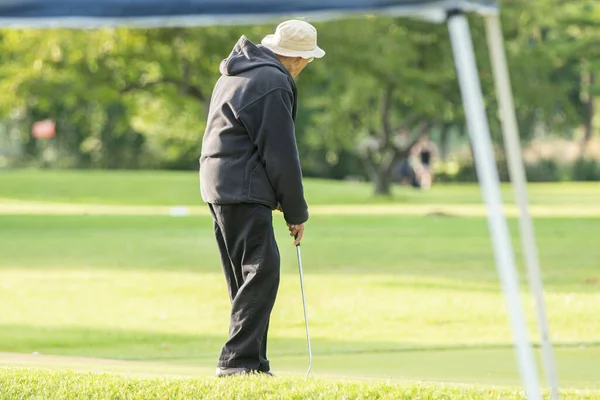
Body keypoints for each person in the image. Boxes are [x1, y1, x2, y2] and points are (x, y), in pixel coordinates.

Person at [199, 20, 325, 377]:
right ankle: (237, 362)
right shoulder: (272, 81)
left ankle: (253, 363)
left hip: (220, 185)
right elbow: (281, 152)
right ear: (296, 59)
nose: (305, 67)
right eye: (306, 60)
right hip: (242, 188)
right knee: (263, 271)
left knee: (246, 278)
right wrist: (296, 211)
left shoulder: (238, 72)